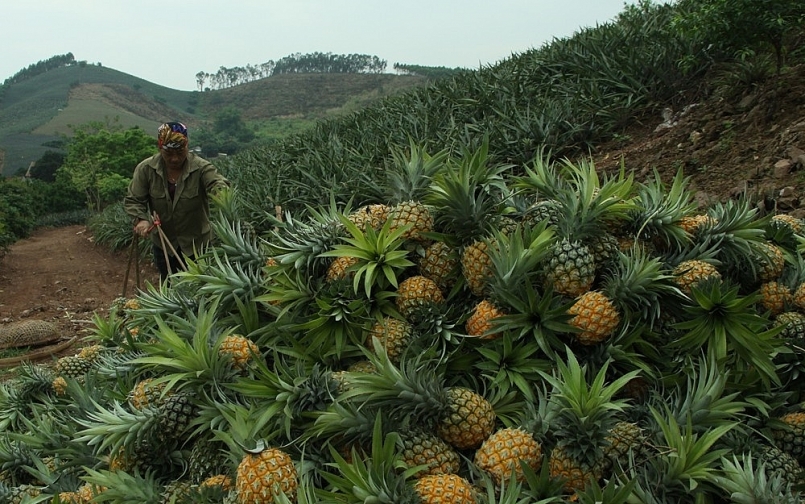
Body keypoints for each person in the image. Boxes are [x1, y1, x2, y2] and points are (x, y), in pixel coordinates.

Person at [124, 122, 229, 281]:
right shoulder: (146, 169)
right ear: (160, 148)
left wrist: (220, 193)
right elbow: (134, 199)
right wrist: (141, 220)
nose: (175, 158)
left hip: (198, 244)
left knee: (200, 288)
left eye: (180, 152)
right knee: (170, 287)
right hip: (164, 244)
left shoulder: (201, 168)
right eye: (169, 153)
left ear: (187, 146)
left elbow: (217, 183)